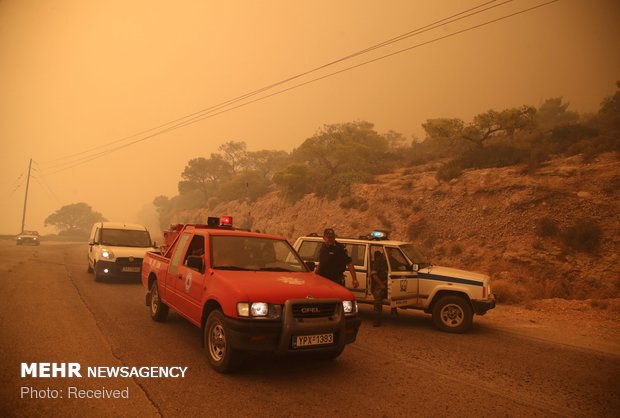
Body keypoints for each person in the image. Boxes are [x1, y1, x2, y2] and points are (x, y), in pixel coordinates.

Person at [370, 250, 388, 327]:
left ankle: (394, 310)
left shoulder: (390, 260)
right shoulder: (378, 261)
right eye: (388, 252)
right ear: (383, 253)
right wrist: (381, 285)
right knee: (378, 298)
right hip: (379, 283)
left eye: (390, 252)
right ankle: (377, 320)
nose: (389, 253)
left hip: (389, 282)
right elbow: (374, 275)